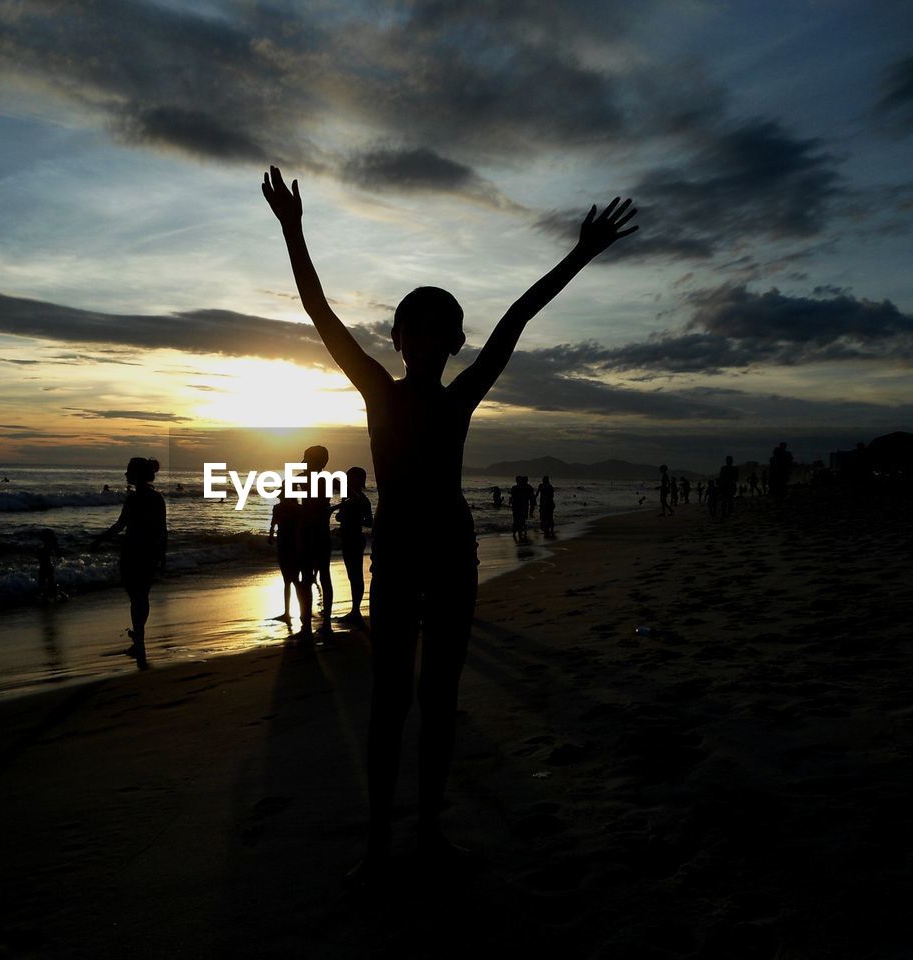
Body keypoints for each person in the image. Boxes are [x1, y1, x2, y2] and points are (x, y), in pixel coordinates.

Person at [263, 164, 637, 879]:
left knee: (439, 701)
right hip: (400, 551)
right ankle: (379, 845)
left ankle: (427, 833)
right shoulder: (378, 388)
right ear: (400, 338)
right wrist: (294, 229)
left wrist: (581, 254)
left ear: (453, 341)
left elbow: (517, 319)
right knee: (390, 702)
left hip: (453, 551)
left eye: (443, 330)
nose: (430, 339)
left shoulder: (459, 396)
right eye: (418, 327)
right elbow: (320, 314)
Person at [93, 457, 167, 658]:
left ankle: (139, 640)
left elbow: (119, 526)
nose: (126, 474)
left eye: (129, 471)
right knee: (142, 596)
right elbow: (163, 530)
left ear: (136, 475)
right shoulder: (157, 498)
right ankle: (139, 637)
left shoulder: (133, 499)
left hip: (132, 552)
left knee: (135, 597)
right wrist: (162, 554)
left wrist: (99, 540)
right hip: (150, 552)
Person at [296, 445, 335, 638]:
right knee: (317, 577)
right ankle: (316, 625)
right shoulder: (328, 480)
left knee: (313, 578)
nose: (308, 464)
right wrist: (329, 509)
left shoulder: (304, 478)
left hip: (311, 531)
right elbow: (354, 496)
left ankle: (312, 626)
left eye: (310, 460)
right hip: (317, 531)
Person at [334, 466, 373, 626]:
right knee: (353, 576)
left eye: (350, 477)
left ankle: (356, 611)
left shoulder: (360, 498)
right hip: (349, 538)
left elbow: (368, 521)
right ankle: (355, 610)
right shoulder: (351, 497)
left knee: (355, 576)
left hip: (354, 538)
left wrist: (352, 519)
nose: (348, 480)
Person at [269, 487, 300, 623]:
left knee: (293, 579)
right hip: (283, 544)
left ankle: (300, 611)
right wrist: (271, 535)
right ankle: (287, 612)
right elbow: (273, 524)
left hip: (293, 545)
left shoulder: (296, 508)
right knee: (287, 580)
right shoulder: (278, 508)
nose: (279, 494)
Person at [36, 529, 61, 602]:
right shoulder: (50, 545)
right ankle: (52, 595)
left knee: (44, 581)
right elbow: (58, 553)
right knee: (49, 581)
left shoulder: (48, 546)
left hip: (45, 566)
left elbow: (56, 553)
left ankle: (47, 596)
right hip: (47, 566)